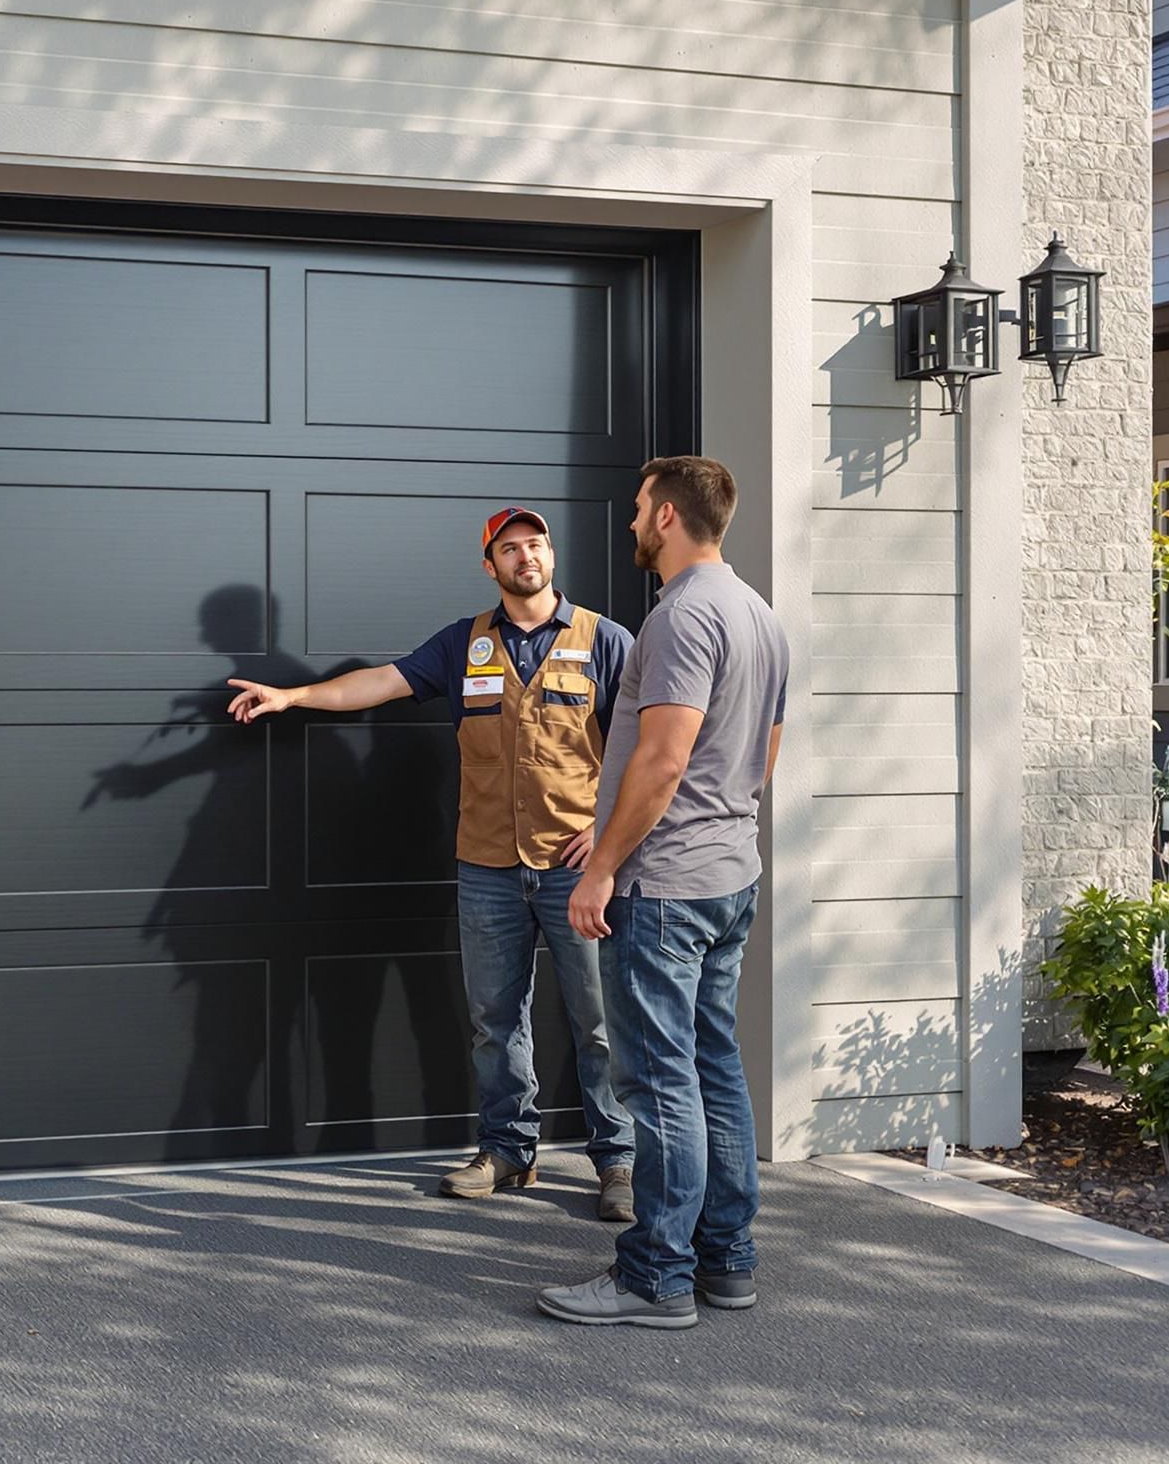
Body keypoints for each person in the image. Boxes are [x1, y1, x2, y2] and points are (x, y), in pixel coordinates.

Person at [225, 507, 637, 1222]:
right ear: (491, 566)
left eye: (535, 544)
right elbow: (379, 683)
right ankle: (510, 1152)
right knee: (494, 1019)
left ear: (551, 554)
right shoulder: (463, 645)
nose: (526, 557)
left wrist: (608, 836)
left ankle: (620, 1161)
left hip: (577, 866)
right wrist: (293, 696)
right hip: (486, 865)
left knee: (599, 1021)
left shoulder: (606, 640)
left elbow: (650, 740)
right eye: (510, 549)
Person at [537, 456, 788, 1332]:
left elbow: (665, 756)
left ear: (671, 516)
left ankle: (656, 1275)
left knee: (659, 1080)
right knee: (715, 1066)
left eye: (641, 508)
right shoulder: (758, 615)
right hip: (728, 873)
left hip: (667, 887)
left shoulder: (682, 616)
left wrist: (604, 866)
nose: (633, 522)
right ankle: (727, 1259)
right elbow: (762, 754)